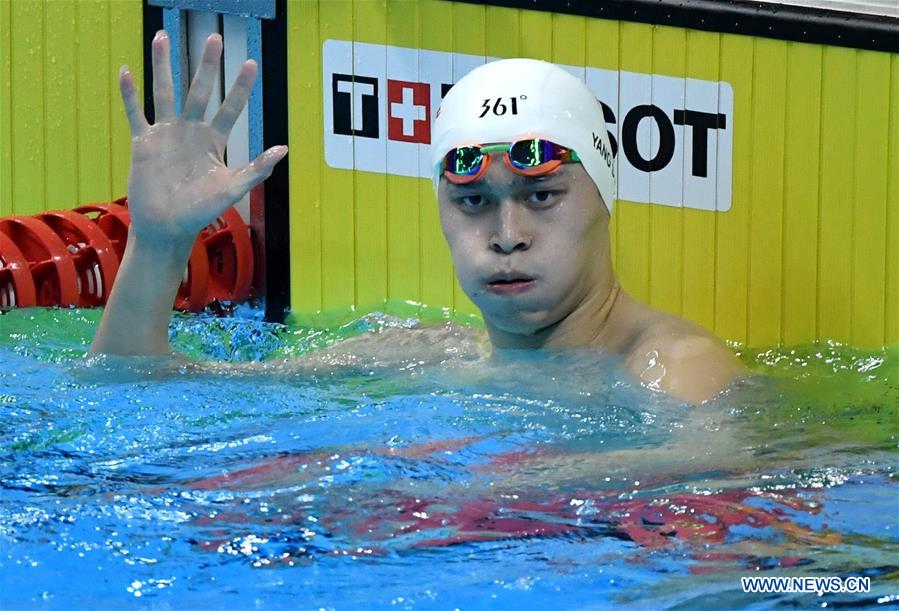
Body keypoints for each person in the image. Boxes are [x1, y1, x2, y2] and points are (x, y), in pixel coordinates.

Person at [91, 31, 745, 404]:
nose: (507, 236)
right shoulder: (422, 353)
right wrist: (158, 245)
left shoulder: (673, 370)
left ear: (604, 194)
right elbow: (129, 386)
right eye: (473, 200)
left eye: (541, 195)